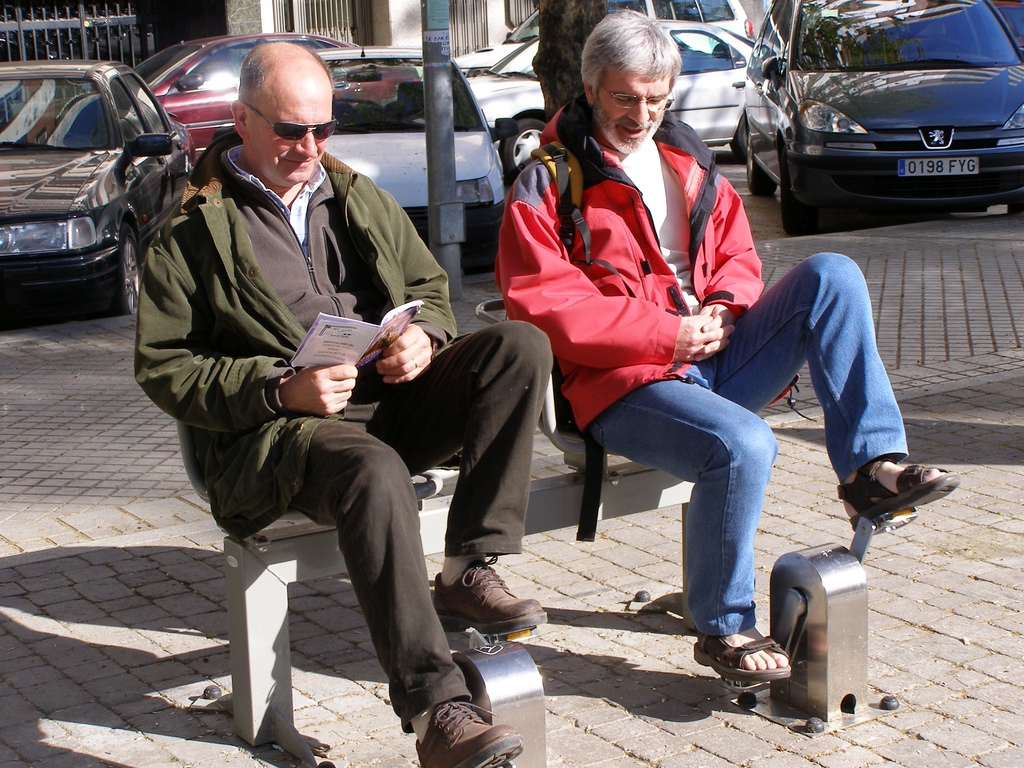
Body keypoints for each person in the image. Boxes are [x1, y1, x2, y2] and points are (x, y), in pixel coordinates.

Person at [496, 11, 960, 684]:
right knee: (744, 444)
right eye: (625, 98)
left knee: (832, 274)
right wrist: (668, 333)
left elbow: (738, 256)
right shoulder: (546, 181)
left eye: (657, 99)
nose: (641, 115)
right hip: (622, 385)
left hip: (714, 358)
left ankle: (869, 468)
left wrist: (723, 304)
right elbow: (544, 305)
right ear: (590, 89)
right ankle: (723, 625)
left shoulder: (688, 158)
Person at [135, 42, 552, 767]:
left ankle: (467, 566)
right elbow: (164, 368)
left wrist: (423, 337)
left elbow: (428, 288)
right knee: (373, 471)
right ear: (242, 119)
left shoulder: (354, 193)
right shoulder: (190, 231)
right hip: (283, 433)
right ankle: (437, 711)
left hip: (387, 400)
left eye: (323, 129)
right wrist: (277, 387)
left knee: (519, 348)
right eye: (289, 130)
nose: (309, 147)